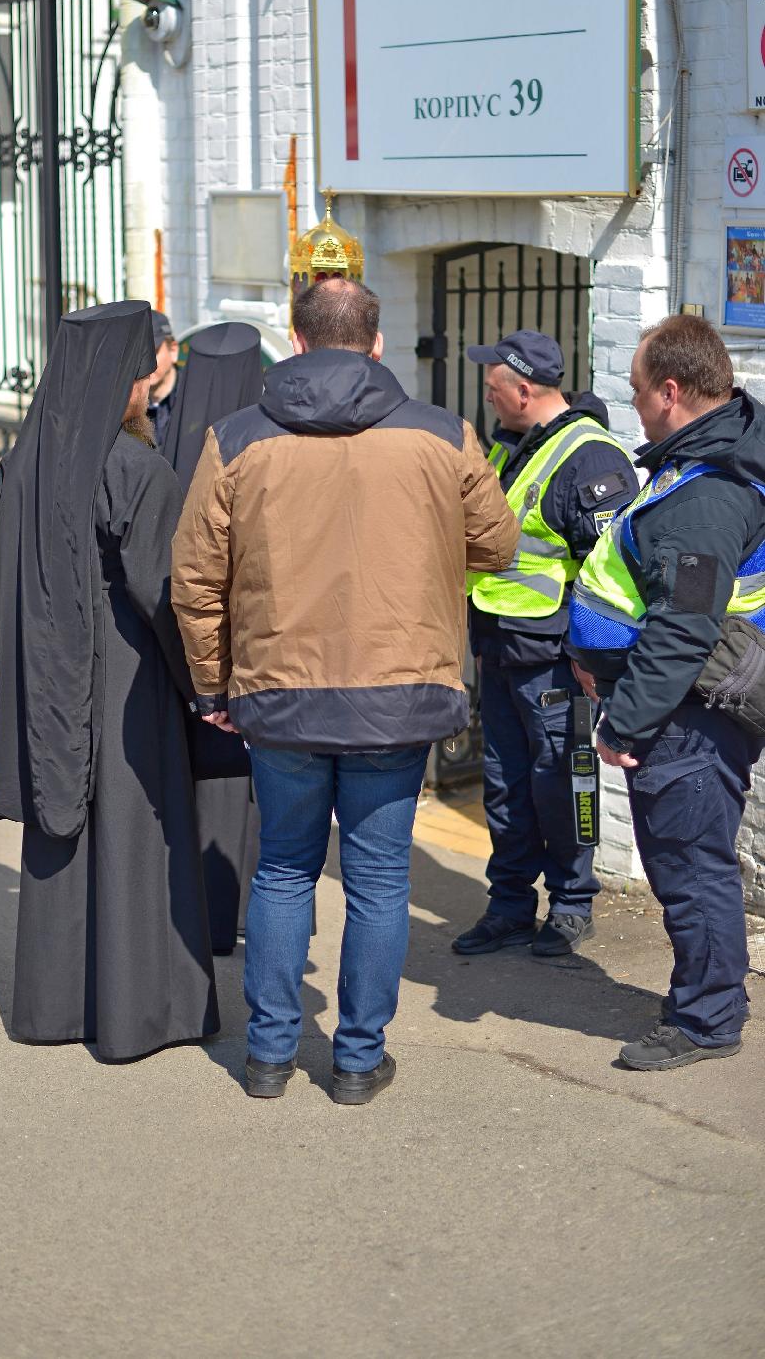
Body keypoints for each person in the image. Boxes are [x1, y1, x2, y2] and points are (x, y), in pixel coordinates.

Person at [172, 277, 518, 1103]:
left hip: (280, 695)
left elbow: (195, 580)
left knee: (285, 871)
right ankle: (359, 1060)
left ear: (294, 340)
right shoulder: (444, 434)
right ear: (378, 343)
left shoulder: (236, 438)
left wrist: (214, 685)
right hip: (398, 692)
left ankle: (268, 1057)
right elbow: (500, 547)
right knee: (378, 880)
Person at [0, 300, 219, 1059]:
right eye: (144, 375)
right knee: (134, 830)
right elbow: (168, 591)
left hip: (45, 669)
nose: (152, 388)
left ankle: (54, 1006)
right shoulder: (135, 466)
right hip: (125, 670)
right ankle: (139, 1013)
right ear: (123, 378)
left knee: (67, 829)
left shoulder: (26, 457)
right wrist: (206, 686)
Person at [568, 315, 765, 1070]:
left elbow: (684, 625)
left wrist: (626, 722)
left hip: (687, 718)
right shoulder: (705, 459)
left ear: (673, 391)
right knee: (688, 863)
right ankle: (705, 997)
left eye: (640, 390)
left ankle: (708, 1019)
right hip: (680, 710)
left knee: (690, 867)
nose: (636, 405)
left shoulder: (708, 496)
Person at [452, 331, 638, 959]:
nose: (488, 397)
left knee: (561, 781)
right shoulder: (514, 446)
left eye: (494, 387)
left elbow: (610, 573)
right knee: (503, 783)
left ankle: (570, 903)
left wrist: (590, 659)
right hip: (503, 648)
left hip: (556, 661)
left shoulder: (590, 458)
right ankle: (508, 905)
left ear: (524, 390)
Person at [159, 320, 265, 954]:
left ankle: (205, 906)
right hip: (259, 634)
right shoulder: (265, 433)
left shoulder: (173, 438)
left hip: (194, 640)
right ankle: (253, 907)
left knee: (202, 778)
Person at [146, 310, 180, 450]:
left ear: (173, 351)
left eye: (152, 352)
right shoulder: (125, 405)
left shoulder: (194, 398)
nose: (145, 362)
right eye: (137, 354)